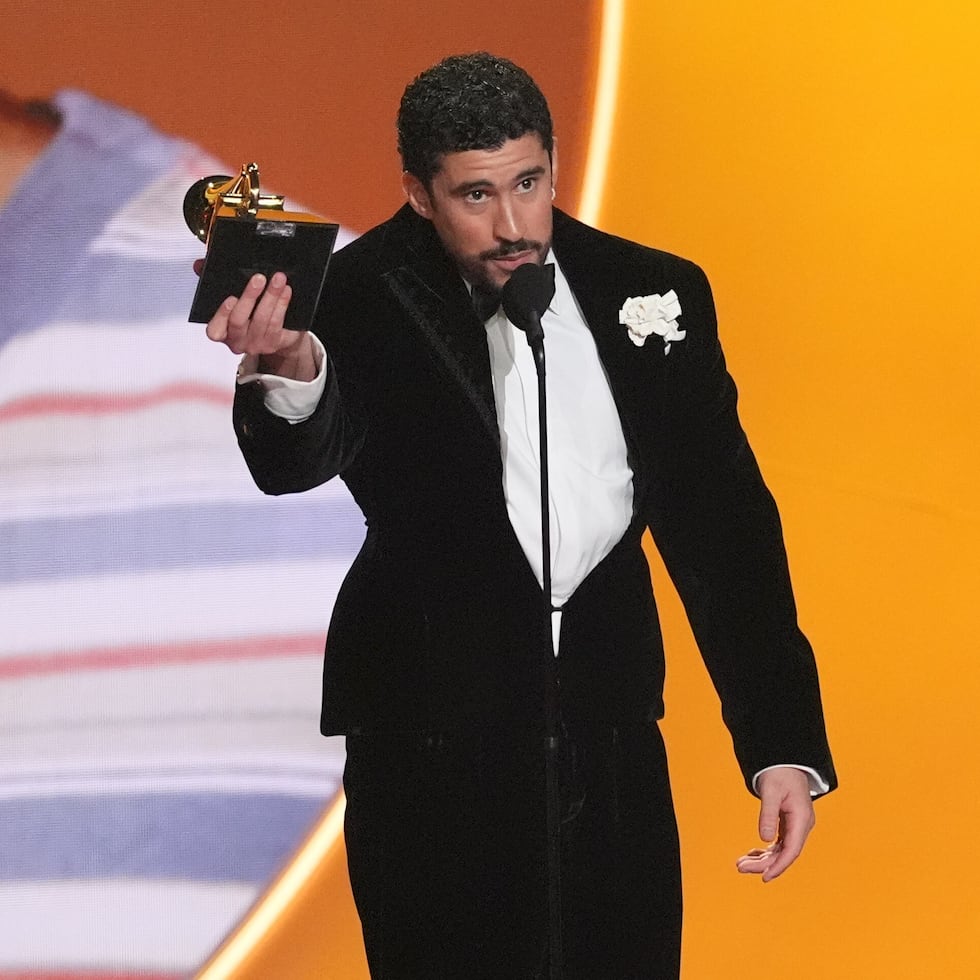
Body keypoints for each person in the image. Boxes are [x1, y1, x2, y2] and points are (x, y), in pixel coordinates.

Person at [204, 52, 837, 979]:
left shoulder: (651, 290)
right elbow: (297, 461)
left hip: (611, 742)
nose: (512, 225)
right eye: (474, 196)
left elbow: (725, 526)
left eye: (529, 183)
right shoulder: (356, 294)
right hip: (431, 751)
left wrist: (780, 743)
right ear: (418, 194)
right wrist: (287, 369)